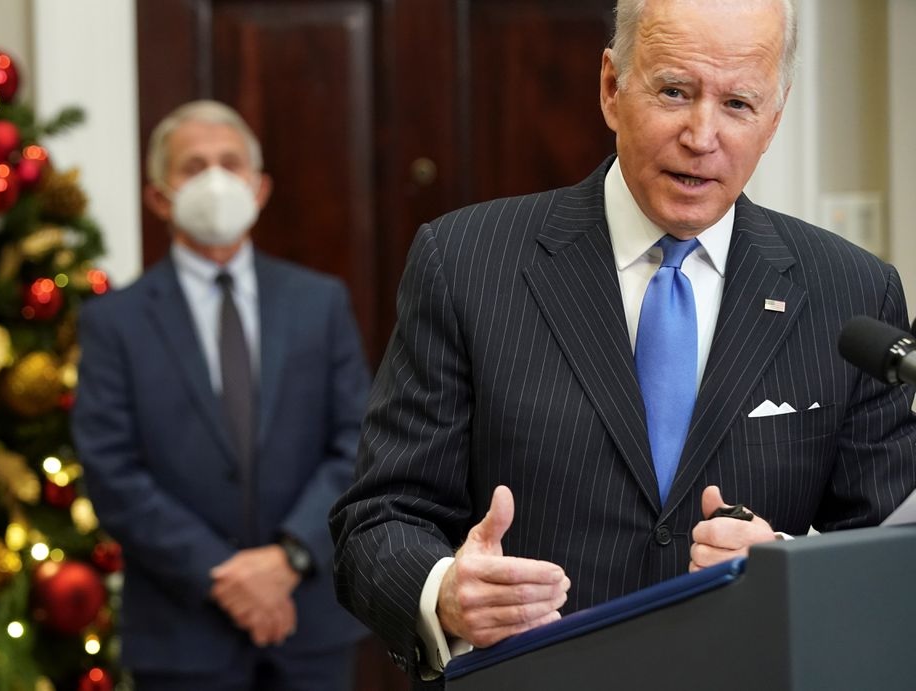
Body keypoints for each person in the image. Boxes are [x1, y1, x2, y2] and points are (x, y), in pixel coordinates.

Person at [329, 0, 916, 686]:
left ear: (776, 118)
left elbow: (889, 559)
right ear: (611, 87)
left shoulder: (851, 291)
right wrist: (446, 594)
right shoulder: (465, 263)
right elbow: (376, 521)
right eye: (674, 91)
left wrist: (783, 563)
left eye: (738, 104)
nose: (703, 135)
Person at [73, 100, 370, 691]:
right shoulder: (114, 321)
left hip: (310, 623)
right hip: (181, 633)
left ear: (259, 188)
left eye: (230, 163)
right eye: (193, 166)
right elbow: (111, 469)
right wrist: (222, 574)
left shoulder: (320, 303)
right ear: (159, 195)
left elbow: (358, 442)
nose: (214, 179)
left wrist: (288, 559)